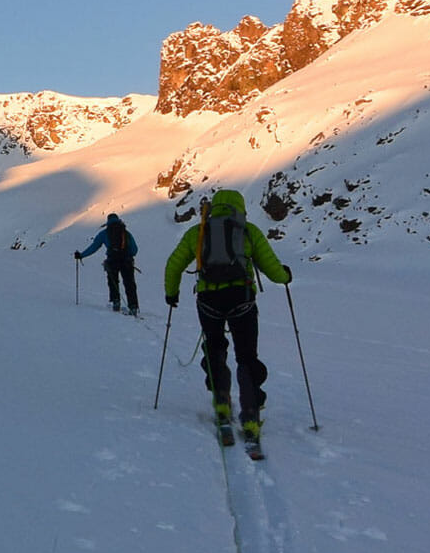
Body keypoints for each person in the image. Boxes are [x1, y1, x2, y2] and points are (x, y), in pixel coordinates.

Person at [163, 188, 293, 446]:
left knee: (214, 348)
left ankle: (221, 402)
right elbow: (273, 270)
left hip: (208, 301)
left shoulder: (198, 232)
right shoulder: (248, 231)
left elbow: (173, 264)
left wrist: (172, 294)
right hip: (242, 301)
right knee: (246, 356)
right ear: (239, 208)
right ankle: (251, 415)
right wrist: (286, 276)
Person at [74, 213, 139, 314]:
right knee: (129, 283)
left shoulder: (104, 233)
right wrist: (126, 255)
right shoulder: (126, 233)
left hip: (112, 261)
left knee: (113, 282)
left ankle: (116, 302)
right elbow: (134, 249)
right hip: (127, 261)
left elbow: (94, 247)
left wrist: (81, 255)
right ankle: (133, 306)